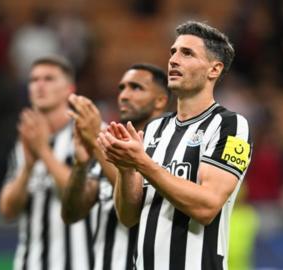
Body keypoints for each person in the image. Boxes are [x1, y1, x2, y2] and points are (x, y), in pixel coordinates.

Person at [97, 21, 253, 270]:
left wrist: (142, 163)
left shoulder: (231, 126)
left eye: (187, 53)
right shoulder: (154, 129)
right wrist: (126, 169)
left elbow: (207, 207)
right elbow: (128, 217)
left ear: (214, 70)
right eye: (173, 52)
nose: (173, 60)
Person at [61, 63, 170, 270]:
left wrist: (94, 140)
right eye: (122, 88)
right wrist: (81, 165)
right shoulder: (107, 147)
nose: (124, 95)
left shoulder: (168, 149)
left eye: (136, 87)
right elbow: (71, 213)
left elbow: (135, 210)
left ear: (160, 101)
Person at [0, 56, 94, 270]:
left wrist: (43, 151)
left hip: (80, 263)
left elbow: (83, 199)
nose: (39, 85)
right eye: (34, 80)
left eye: (49, 79)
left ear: (69, 88)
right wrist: (28, 168)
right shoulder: (23, 141)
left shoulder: (88, 134)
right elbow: (7, 211)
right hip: (29, 263)